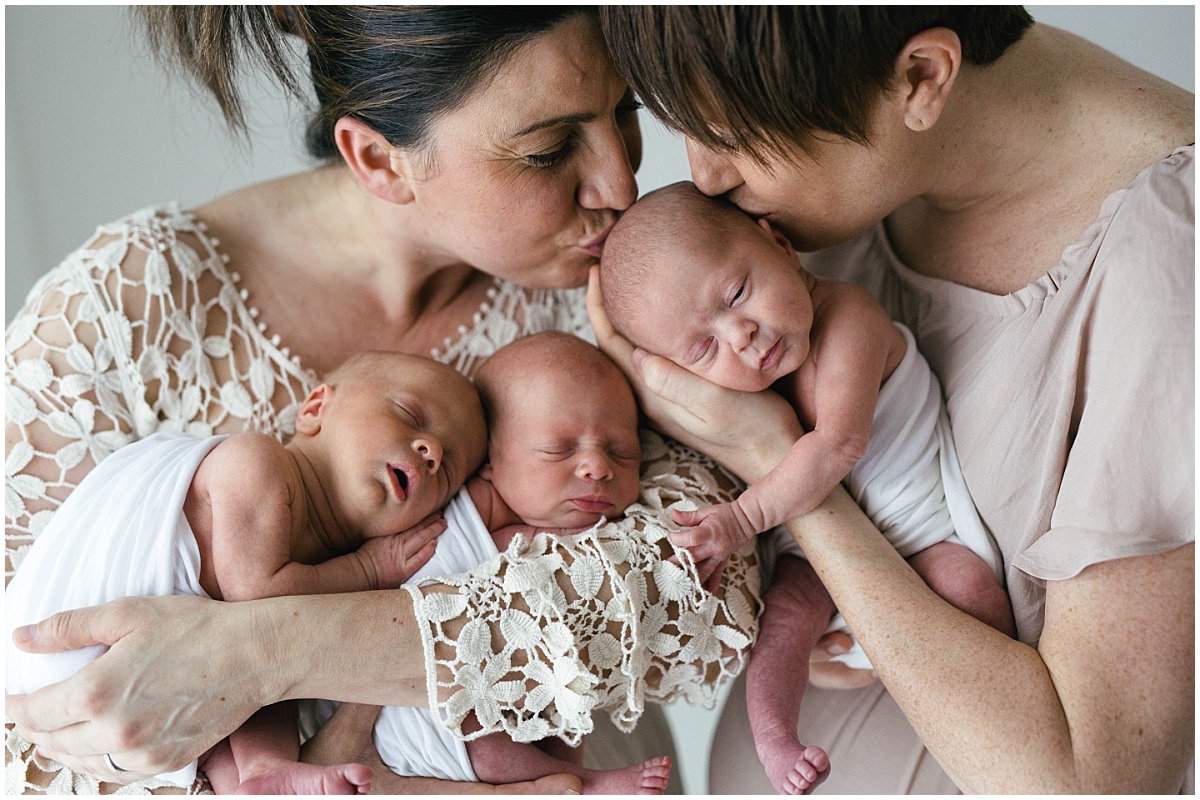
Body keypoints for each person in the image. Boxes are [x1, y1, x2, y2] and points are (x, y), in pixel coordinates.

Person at [4, 7, 766, 796]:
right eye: (548, 150)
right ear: (377, 158)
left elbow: (709, 583)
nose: (621, 182)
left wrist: (256, 650)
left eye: (626, 112)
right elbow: (34, 711)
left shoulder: (626, 282)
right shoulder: (117, 316)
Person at [594, 5, 1194, 793]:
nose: (705, 177)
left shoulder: (1169, 275)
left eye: (733, 135)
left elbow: (1086, 782)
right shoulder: (845, 179)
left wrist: (768, 458)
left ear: (921, 78)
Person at [599, 181, 1014, 793]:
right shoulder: (748, 387)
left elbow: (837, 445)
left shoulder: (848, 320)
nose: (740, 334)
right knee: (783, 626)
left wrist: (740, 520)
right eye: (704, 348)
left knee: (970, 590)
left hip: (923, 536)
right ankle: (776, 738)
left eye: (737, 293)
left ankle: (981, 724)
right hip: (819, 551)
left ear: (780, 244)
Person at [7, 350, 488, 794]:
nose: (431, 450)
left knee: (270, 678)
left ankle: (258, 776)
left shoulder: (317, 566)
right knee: (270, 632)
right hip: (69, 642)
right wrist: (369, 568)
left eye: (446, 473)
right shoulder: (259, 463)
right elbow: (255, 594)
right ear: (316, 408)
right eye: (409, 416)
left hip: (146, 691)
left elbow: (252, 662)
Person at [305, 332, 671, 795]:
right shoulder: (460, 507)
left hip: (509, 696)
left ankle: (562, 773)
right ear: (490, 461)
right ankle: (585, 783)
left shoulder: (605, 531)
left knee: (569, 715)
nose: (597, 468)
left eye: (623, 453)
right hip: (411, 720)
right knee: (487, 745)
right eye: (558, 449)